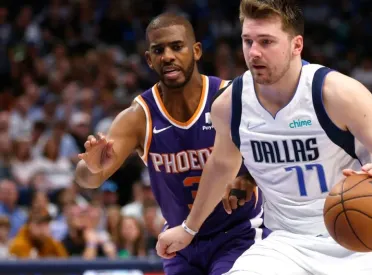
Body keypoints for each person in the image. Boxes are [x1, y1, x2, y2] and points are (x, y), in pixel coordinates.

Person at [156, 1, 372, 275]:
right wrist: (189, 229)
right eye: (248, 41)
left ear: (297, 45)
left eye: (266, 42)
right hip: (288, 244)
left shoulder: (338, 94)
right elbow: (222, 165)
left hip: (364, 242)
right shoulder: (228, 105)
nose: (254, 52)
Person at [75, 13, 265, 275]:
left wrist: (249, 177)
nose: (167, 56)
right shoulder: (138, 117)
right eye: (158, 50)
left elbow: (276, 152)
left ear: (196, 51)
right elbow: (87, 180)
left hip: (238, 234)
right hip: (181, 241)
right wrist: (93, 168)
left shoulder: (229, 96)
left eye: (177, 47)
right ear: (149, 60)